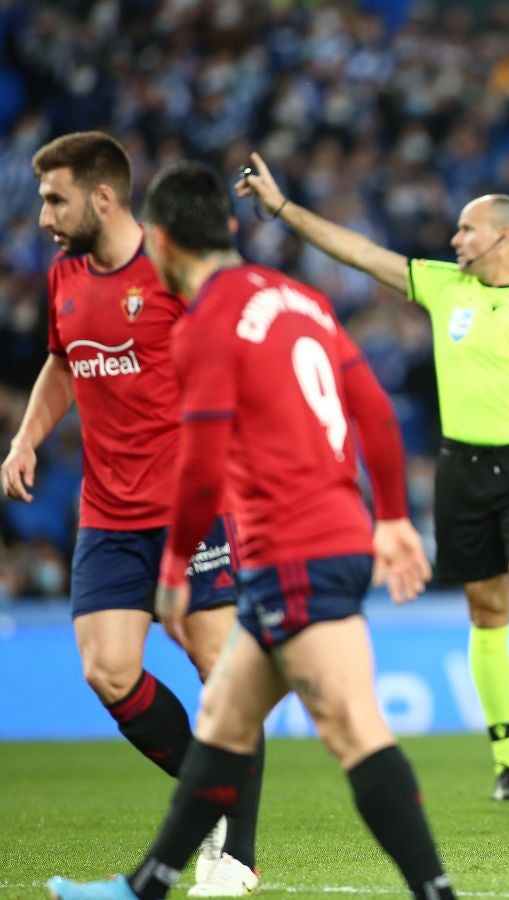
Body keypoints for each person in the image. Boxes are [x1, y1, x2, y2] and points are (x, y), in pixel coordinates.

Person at [48, 161, 455, 899]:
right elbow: (376, 412)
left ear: (163, 243)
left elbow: (200, 468)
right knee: (225, 719)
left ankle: (437, 892)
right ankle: (142, 888)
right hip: (322, 538)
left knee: (355, 729)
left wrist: (172, 571)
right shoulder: (299, 298)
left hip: (298, 548)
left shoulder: (205, 321)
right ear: (232, 228)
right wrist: (392, 516)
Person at [235, 153, 509, 801]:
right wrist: (281, 210)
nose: (455, 240)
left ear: (503, 236)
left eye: (466, 230)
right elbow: (359, 253)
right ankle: (507, 759)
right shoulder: (444, 286)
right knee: (485, 610)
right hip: (461, 469)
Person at [1, 132, 263, 894]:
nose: (43, 213)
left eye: (55, 198)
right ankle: (207, 799)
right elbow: (63, 361)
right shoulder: (64, 278)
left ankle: (237, 854)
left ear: (102, 196)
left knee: (221, 667)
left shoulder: (177, 268)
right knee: (108, 670)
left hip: (193, 507)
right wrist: (24, 441)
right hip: (109, 512)